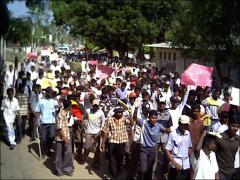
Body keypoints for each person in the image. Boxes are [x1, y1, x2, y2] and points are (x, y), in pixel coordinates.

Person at [100, 106, 133, 178]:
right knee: (112, 158)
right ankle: (114, 172)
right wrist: (103, 143)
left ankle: (118, 168)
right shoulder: (109, 119)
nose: (120, 114)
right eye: (119, 112)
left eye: (121, 112)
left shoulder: (124, 118)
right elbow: (105, 131)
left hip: (122, 141)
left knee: (120, 156)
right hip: (112, 140)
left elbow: (132, 123)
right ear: (115, 112)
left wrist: (130, 114)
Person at [165, 115, 192, 180]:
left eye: (186, 125)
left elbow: (189, 147)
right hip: (175, 164)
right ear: (179, 123)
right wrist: (175, 163)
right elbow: (167, 150)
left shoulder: (187, 133)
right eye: (183, 124)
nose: (184, 126)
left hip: (186, 164)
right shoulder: (173, 134)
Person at [81, 99, 105, 168]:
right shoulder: (88, 111)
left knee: (97, 149)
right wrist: (84, 125)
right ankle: (84, 157)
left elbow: (103, 122)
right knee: (87, 147)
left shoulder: (101, 113)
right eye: (94, 106)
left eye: (96, 106)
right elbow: (84, 118)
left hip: (97, 132)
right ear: (92, 105)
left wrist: (101, 130)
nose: (95, 107)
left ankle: (96, 162)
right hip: (89, 132)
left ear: (98, 106)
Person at [215, 113, 240, 179]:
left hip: (233, 172)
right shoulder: (219, 137)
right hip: (221, 173)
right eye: (233, 126)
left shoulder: (238, 139)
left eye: (237, 127)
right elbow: (212, 155)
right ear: (228, 124)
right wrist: (216, 173)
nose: (235, 129)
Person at [35, 87, 58, 158]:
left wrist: (57, 103)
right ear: (47, 92)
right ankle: (44, 152)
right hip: (43, 122)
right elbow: (38, 111)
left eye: (52, 92)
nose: (51, 94)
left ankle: (48, 149)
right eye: (50, 92)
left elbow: (57, 109)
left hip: (52, 122)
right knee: (44, 138)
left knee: (51, 136)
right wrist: (37, 120)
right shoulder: (41, 101)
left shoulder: (54, 101)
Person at [55, 99, 73, 176]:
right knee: (59, 155)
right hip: (60, 137)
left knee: (68, 153)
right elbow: (59, 128)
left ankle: (67, 169)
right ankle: (59, 170)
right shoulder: (60, 114)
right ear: (69, 106)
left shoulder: (66, 112)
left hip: (67, 135)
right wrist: (64, 138)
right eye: (71, 106)